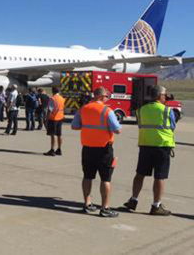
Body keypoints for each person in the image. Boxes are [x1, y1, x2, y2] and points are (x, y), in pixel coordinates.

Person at [123, 85, 176, 216]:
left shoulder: (141, 110)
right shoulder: (167, 111)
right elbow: (172, 126)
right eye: (164, 95)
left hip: (145, 145)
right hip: (162, 147)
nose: (166, 97)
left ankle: (133, 200)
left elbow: (140, 125)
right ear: (160, 96)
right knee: (160, 177)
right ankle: (156, 205)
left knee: (140, 174)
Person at [72, 87, 122, 217]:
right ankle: (105, 208)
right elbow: (117, 129)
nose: (107, 99)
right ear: (101, 97)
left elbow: (75, 126)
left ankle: (87, 204)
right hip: (104, 149)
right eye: (106, 97)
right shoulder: (107, 111)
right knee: (106, 179)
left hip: (88, 148)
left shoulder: (83, 109)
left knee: (87, 176)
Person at [44, 86, 65, 156]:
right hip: (60, 118)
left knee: (53, 135)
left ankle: (52, 149)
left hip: (53, 119)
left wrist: (46, 118)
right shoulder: (62, 99)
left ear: (53, 91)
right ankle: (59, 149)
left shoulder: (53, 99)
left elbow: (50, 109)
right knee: (59, 134)